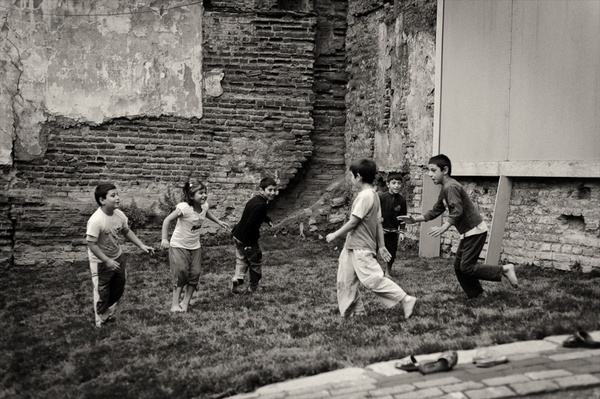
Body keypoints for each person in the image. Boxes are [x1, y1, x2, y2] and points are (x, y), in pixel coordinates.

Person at [399, 154, 518, 300]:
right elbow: (436, 210)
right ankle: (477, 295)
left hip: (475, 231)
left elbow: (457, 210)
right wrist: (415, 219)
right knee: (459, 267)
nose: (430, 174)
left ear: (445, 170)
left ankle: (504, 269)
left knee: (467, 267)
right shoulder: (445, 188)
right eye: (428, 170)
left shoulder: (451, 187)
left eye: (433, 170)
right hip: (469, 232)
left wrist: (444, 227)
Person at [326, 159, 417, 318]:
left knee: (372, 280)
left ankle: (405, 299)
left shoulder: (366, 196)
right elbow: (378, 223)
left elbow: (354, 222)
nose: (351, 178)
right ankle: (354, 311)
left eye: (351, 175)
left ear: (358, 176)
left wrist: (335, 234)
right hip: (351, 246)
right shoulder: (374, 195)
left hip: (361, 247)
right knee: (345, 279)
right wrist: (381, 246)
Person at [86, 183, 155, 327]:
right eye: (113, 195)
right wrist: (106, 260)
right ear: (102, 200)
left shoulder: (119, 215)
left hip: (117, 256)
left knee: (119, 286)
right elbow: (91, 244)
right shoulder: (96, 220)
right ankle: (101, 321)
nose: (117, 198)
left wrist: (141, 245)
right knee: (102, 290)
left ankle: (108, 314)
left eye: (117, 194)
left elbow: (126, 231)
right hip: (101, 262)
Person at [161, 179, 229, 312]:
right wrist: (164, 238)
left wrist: (219, 221)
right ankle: (175, 304)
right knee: (181, 274)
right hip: (179, 245)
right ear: (191, 196)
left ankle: (185, 302)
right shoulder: (184, 208)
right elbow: (167, 220)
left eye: (205, 192)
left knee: (195, 273)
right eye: (200, 193)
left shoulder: (204, 206)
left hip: (195, 246)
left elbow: (205, 213)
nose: (204, 195)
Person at [230, 177, 278, 294]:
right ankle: (254, 288)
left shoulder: (255, 200)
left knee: (241, 259)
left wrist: (267, 220)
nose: (272, 193)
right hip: (247, 239)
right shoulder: (261, 206)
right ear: (262, 190)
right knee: (255, 262)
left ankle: (237, 278)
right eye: (269, 190)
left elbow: (252, 215)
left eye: (274, 190)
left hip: (237, 235)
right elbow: (250, 224)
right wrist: (248, 243)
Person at [379, 172, 407, 277]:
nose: (396, 185)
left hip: (393, 232)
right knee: (374, 251)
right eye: (393, 183)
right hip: (380, 231)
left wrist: (402, 232)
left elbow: (403, 218)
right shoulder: (381, 198)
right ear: (388, 184)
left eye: (399, 183)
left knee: (392, 253)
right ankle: (373, 270)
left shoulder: (402, 200)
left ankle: (387, 272)